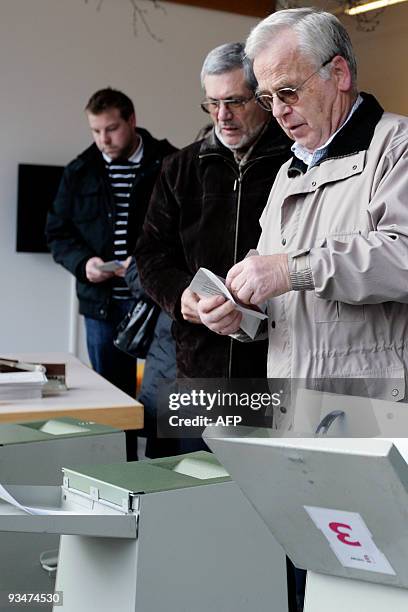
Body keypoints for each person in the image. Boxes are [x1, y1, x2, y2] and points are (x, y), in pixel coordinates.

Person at [198, 12, 408, 422]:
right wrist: (239, 313)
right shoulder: (289, 170)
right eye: (266, 98)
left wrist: (290, 270)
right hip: (293, 409)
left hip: (373, 411)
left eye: (288, 91)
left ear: (339, 73)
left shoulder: (397, 148)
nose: (277, 111)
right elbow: (284, 302)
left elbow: (403, 256)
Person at [135, 43, 291, 393]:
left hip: (275, 361)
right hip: (198, 362)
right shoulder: (180, 168)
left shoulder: (295, 163)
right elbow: (150, 252)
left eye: (235, 101)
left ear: (262, 99)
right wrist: (180, 297)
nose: (222, 115)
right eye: (213, 103)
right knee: (195, 451)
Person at [46, 88, 176, 406]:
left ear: (131, 120)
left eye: (111, 129)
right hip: (101, 306)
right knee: (111, 401)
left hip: (156, 299)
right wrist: (83, 263)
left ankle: (158, 458)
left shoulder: (171, 162)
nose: (103, 139)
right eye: (95, 131)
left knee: (165, 392)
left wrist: (148, 261)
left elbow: (187, 231)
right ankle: (121, 458)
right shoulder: (79, 171)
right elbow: (57, 233)